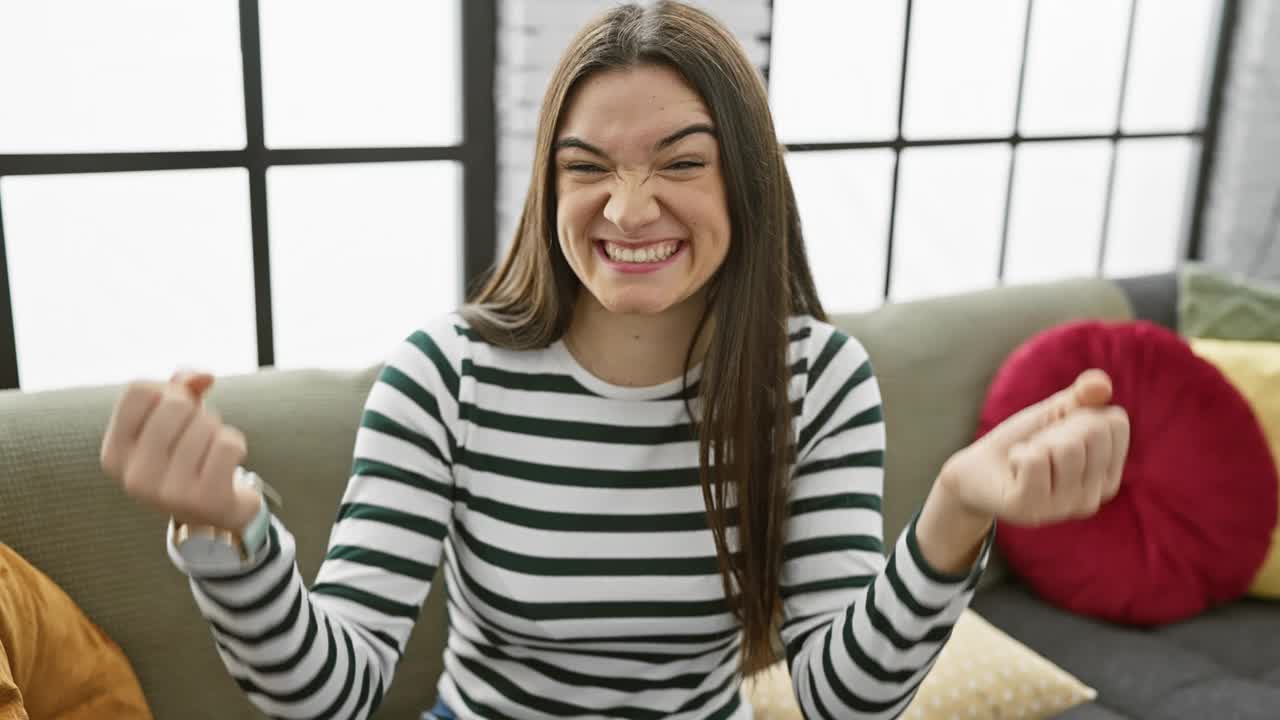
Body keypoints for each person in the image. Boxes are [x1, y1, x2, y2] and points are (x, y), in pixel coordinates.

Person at [99, 2, 1130, 718]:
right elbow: (328, 692)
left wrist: (955, 511)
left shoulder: (817, 382)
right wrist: (224, 528)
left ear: (748, 186)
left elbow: (839, 700)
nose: (628, 209)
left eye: (680, 163)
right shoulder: (443, 375)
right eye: (586, 168)